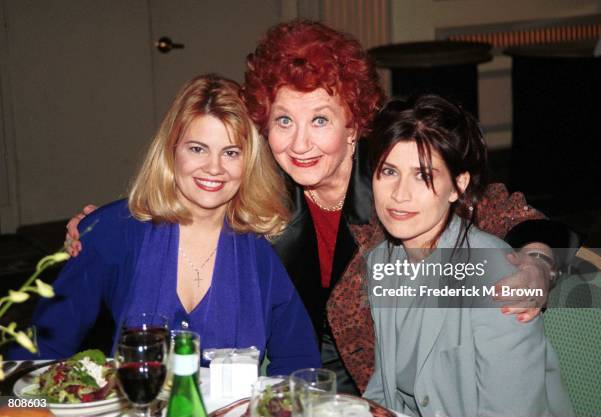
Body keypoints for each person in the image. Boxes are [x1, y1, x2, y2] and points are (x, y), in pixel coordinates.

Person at [66, 20, 564, 394]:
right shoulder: (260, 185)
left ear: (354, 124)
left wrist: (539, 261)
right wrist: (95, 228)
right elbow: (185, 192)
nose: (300, 143)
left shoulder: (395, 181)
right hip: (292, 386)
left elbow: (501, 209)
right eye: (284, 121)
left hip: (386, 393)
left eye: (320, 120)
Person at [8, 74, 321, 376]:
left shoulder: (267, 244)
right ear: (172, 151)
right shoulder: (113, 230)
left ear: (249, 161)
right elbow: (44, 346)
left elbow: (298, 361)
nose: (214, 168)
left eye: (231, 153)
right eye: (197, 149)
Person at [362, 95, 573, 416]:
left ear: (457, 185)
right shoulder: (382, 260)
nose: (399, 194)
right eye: (388, 171)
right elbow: (384, 387)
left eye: (424, 175)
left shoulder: (497, 277)